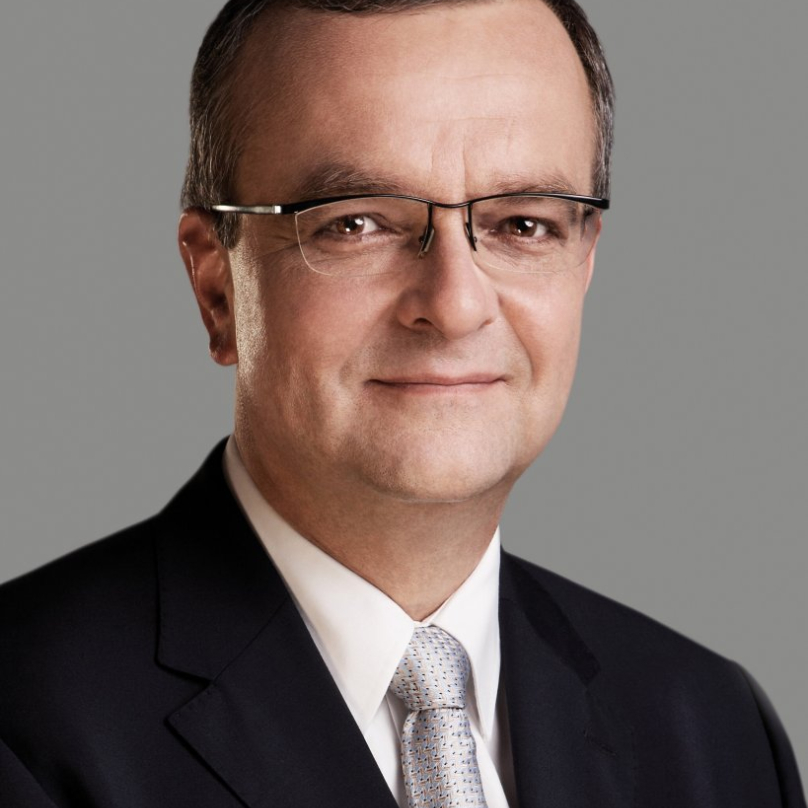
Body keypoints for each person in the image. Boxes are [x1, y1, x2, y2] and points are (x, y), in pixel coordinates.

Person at [0, 0, 804, 805]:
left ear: (585, 263)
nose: (454, 306)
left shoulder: (712, 730)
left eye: (523, 224)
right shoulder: (25, 729)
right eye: (355, 223)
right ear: (217, 286)